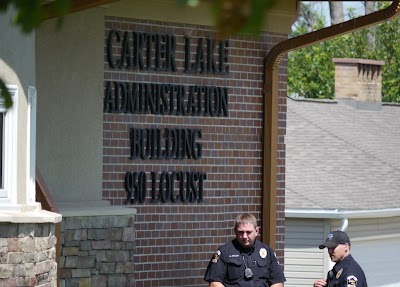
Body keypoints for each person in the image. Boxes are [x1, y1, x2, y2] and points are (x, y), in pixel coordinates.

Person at [204, 213, 286, 287]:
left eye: (248, 232)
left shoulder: (267, 252)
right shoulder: (224, 252)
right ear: (235, 231)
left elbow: (278, 282)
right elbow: (214, 283)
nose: (244, 236)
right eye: (241, 232)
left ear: (256, 231)